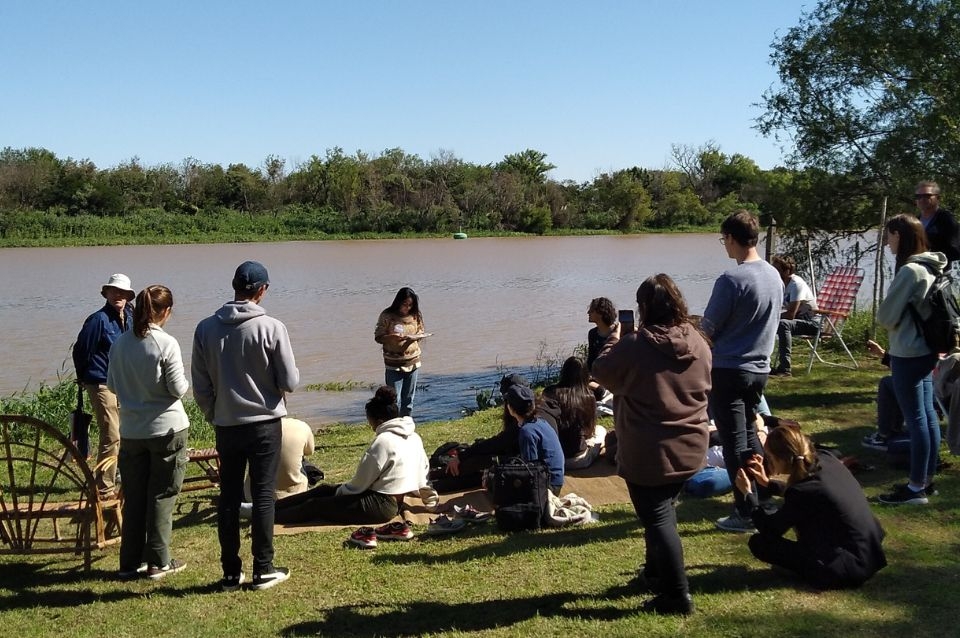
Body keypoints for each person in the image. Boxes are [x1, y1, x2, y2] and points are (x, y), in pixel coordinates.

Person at [592, 273, 711, 616]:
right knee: (662, 510)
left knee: (658, 519)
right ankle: (655, 573)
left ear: (643, 307)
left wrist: (614, 340)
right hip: (691, 446)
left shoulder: (635, 345)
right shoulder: (698, 340)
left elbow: (600, 371)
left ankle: (677, 596)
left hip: (650, 452)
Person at [192, 261, 300, 592]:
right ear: (262, 290)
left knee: (228, 496)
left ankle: (230, 573)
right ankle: (263, 569)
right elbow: (290, 381)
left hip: (227, 424)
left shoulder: (205, 328)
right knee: (264, 494)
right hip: (265, 423)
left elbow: (200, 386)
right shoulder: (272, 327)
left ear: (234, 287)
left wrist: (215, 413)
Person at [701, 210, 783, 533]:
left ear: (732, 239)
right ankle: (763, 494)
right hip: (759, 369)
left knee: (734, 441)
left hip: (729, 370)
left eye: (724, 239)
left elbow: (708, 328)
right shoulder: (774, 276)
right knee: (749, 432)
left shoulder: (731, 280)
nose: (724, 244)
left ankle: (745, 510)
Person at [734, 424, 887, 589]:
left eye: (770, 457)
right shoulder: (827, 458)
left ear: (781, 459)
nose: (768, 461)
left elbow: (769, 528)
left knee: (760, 543)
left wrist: (748, 495)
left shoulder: (801, 492)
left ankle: (808, 571)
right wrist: (767, 483)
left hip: (847, 569)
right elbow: (812, 492)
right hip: (871, 552)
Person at [106, 285, 189, 580]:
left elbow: (111, 385)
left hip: (131, 431)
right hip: (166, 428)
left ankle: (129, 563)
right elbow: (178, 388)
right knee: (162, 494)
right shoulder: (166, 343)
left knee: (135, 496)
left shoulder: (120, 344)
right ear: (165, 311)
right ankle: (158, 561)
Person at [274, 386, 436, 525]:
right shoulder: (414, 437)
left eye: (370, 422)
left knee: (315, 505)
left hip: (382, 506)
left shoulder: (382, 442)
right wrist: (431, 502)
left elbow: (359, 485)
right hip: (389, 499)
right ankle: (272, 507)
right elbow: (423, 475)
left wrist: (338, 495)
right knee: (324, 489)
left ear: (379, 421)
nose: (371, 426)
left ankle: (267, 517)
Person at [876, 214, 945, 504]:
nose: (887, 242)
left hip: (908, 351)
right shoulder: (932, 266)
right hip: (927, 349)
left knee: (916, 419)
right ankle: (926, 480)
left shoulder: (909, 271)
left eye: (889, 235)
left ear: (899, 236)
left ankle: (916, 487)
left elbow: (885, 317)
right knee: (927, 417)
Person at [434, 373, 562, 492]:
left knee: (484, 467)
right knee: (486, 466)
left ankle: (434, 483)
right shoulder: (535, 418)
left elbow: (529, 470)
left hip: (545, 483)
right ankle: (435, 480)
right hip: (549, 474)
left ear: (511, 406)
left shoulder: (526, 429)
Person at [73, 273, 135, 498]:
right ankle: (104, 487)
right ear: (106, 293)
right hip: (100, 382)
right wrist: (83, 378)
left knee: (126, 431)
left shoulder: (130, 316)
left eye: (123, 292)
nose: (118, 295)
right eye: (114, 291)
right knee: (111, 434)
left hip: (123, 382)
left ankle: (117, 473)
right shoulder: (98, 320)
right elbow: (81, 351)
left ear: (128, 296)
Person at [542, 357, 606, 469]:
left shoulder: (549, 392)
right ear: (586, 375)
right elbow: (589, 431)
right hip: (577, 459)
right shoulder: (588, 397)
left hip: (553, 458)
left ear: (563, 372)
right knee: (601, 430)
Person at [503, 385, 565, 495]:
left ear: (511, 409)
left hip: (548, 486)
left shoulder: (527, 431)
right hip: (556, 479)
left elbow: (530, 470)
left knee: (497, 482)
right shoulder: (540, 421)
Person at [374, 287, 427, 417]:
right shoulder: (387, 315)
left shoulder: (415, 315)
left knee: (408, 401)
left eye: (410, 305)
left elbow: (421, 331)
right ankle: (394, 424)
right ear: (398, 302)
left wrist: (415, 337)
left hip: (413, 362)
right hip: (393, 364)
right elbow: (378, 337)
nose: (407, 308)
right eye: (405, 304)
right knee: (394, 401)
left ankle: (406, 424)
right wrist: (391, 337)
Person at [770, 255, 819, 376]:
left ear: (787, 271)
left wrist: (770, 318)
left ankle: (785, 368)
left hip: (813, 323)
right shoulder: (780, 284)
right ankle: (762, 363)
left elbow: (790, 315)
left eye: (777, 270)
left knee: (783, 324)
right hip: (799, 321)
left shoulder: (796, 284)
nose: (774, 273)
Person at [860, 340, 905, 450]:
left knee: (887, 383)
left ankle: (885, 434)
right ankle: (893, 430)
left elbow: (906, 368)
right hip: (933, 385)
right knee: (896, 381)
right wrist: (882, 354)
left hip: (933, 389)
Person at [914, 180, 960, 268]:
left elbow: (955, 250)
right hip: (916, 270)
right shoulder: (915, 221)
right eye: (918, 196)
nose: (922, 199)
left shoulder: (946, 220)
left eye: (927, 196)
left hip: (939, 271)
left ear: (938, 198)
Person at [586, 297, 617, 400]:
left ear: (600, 313)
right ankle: (601, 390)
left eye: (591, 310)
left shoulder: (618, 332)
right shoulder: (592, 333)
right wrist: (586, 375)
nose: (588, 313)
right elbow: (591, 360)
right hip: (598, 376)